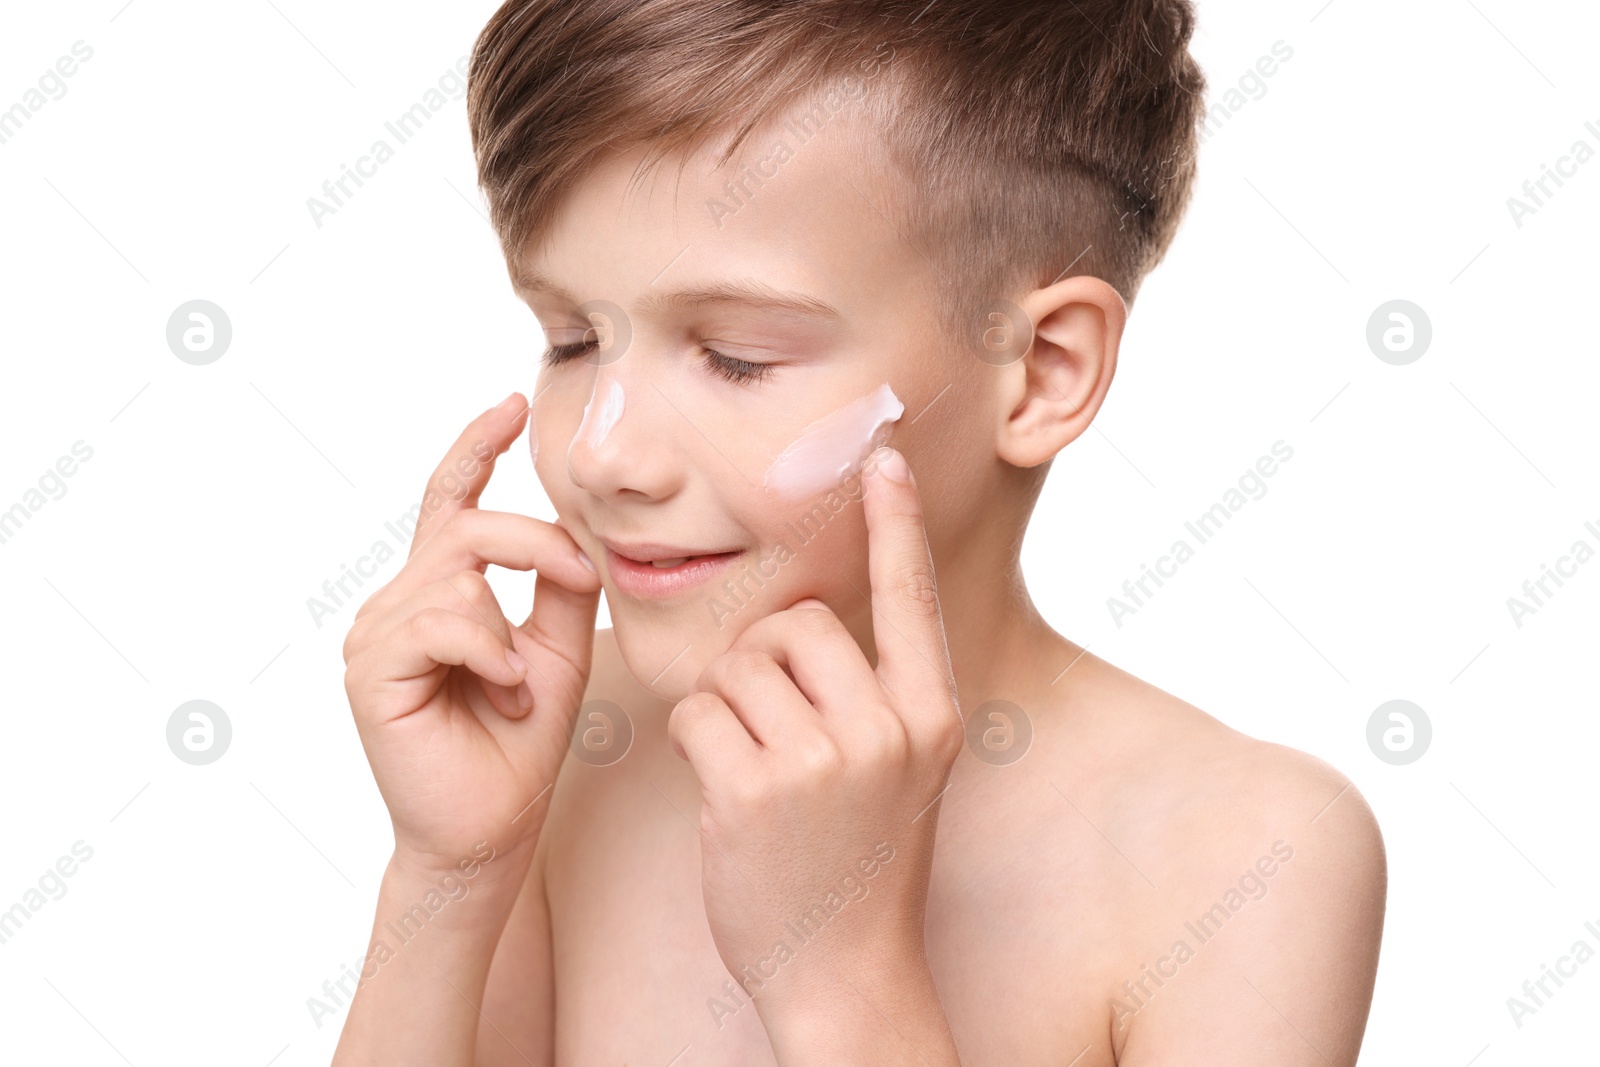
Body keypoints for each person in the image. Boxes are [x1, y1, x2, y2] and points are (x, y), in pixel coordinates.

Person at [334, 1, 1386, 1063]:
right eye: (572, 339)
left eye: (737, 357)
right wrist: (448, 878)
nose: (602, 455)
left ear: (1043, 370)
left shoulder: (1246, 854)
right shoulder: (565, 737)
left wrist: (837, 974)